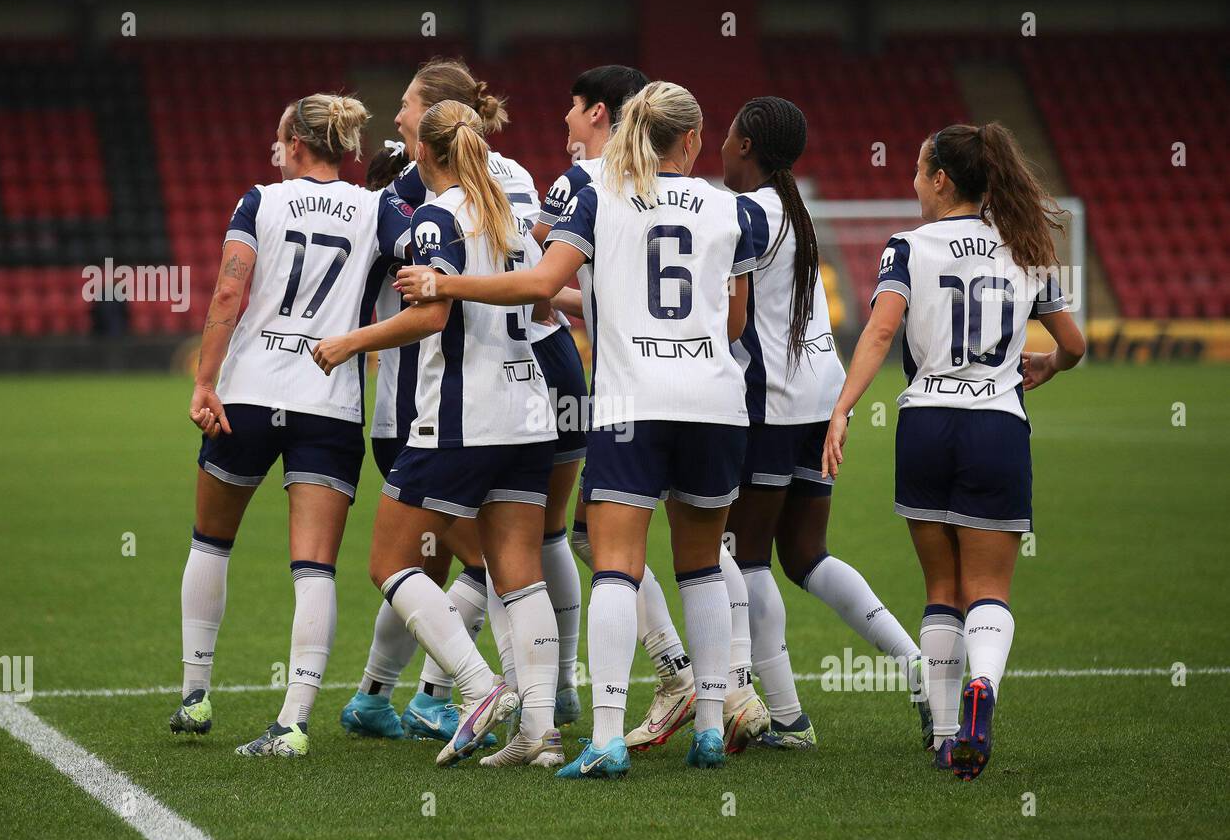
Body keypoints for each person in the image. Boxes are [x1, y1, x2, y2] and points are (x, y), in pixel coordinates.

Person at [395, 81, 757, 777]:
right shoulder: (731, 208)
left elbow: (539, 287)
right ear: (693, 140)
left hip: (632, 403)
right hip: (715, 403)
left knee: (616, 567)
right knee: (703, 565)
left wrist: (446, 284)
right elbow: (736, 324)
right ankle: (710, 727)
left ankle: (609, 739)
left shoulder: (599, 196)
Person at [822, 122, 1085, 779]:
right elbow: (1075, 344)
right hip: (997, 424)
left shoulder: (907, 247)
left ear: (940, 180)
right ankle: (982, 691)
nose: (913, 183)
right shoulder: (1026, 246)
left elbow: (881, 332)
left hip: (927, 424)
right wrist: (1049, 364)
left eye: (917, 170)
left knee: (942, 587)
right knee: (989, 587)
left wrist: (842, 408)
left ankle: (946, 734)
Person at [314, 100, 562, 768]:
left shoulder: (436, 216)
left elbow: (429, 319)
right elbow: (543, 301)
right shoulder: (510, 218)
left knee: (388, 562)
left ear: (424, 153)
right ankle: (540, 731)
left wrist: (349, 342)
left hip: (459, 418)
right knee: (519, 574)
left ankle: (478, 686)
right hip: (528, 411)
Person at [169, 93, 413, 757]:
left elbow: (228, 291)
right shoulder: (380, 207)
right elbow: (418, 267)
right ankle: (294, 722)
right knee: (314, 567)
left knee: (211, 541)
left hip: (248, 391)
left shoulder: (261, 200)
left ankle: (195, 696)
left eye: (281, 141)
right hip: (329, 396)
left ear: (294, 144)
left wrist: (204, 380)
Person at [720, 96, 930, 752]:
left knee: (741, 555)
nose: (720, 147)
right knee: (806, 554)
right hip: (819, 394)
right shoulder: (794, 209)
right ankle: (916, 664)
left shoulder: (749, 212)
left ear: (748, 146)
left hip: (770, 401)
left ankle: (787, 719)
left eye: (727, 137)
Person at [533, 65, 703, 751]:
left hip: (624, 394)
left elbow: (539, 284)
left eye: (573, 108)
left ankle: (658, 679)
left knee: (587, 539)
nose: (567, 122)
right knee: (714, 548)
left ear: (602, 113)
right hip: (707, 389)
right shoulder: (704, 197)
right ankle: (727, 694)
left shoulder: (584, 183)